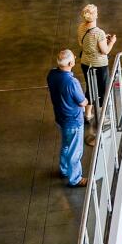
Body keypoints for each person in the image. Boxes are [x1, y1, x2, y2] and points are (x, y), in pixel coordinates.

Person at [47, 49, 89, 188]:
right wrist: (87, 102)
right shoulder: (72, 82)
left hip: (60, 118)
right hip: (73, 121)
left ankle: (64, 169)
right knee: (75, 151)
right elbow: (82, 102)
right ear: (71, 63)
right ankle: (75, 179)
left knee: (66, 145)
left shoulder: (52, 74)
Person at [77, 4, 116, 111]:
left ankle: (88, 114)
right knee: (103, 89)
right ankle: (102, 113)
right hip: (99, 64)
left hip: (85, 62)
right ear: (95, 16)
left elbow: (81, 43)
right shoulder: (99, 32)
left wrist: (101, 40)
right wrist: (111, 42)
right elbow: (105, 51)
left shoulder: (81, 27)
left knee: (90, 87)